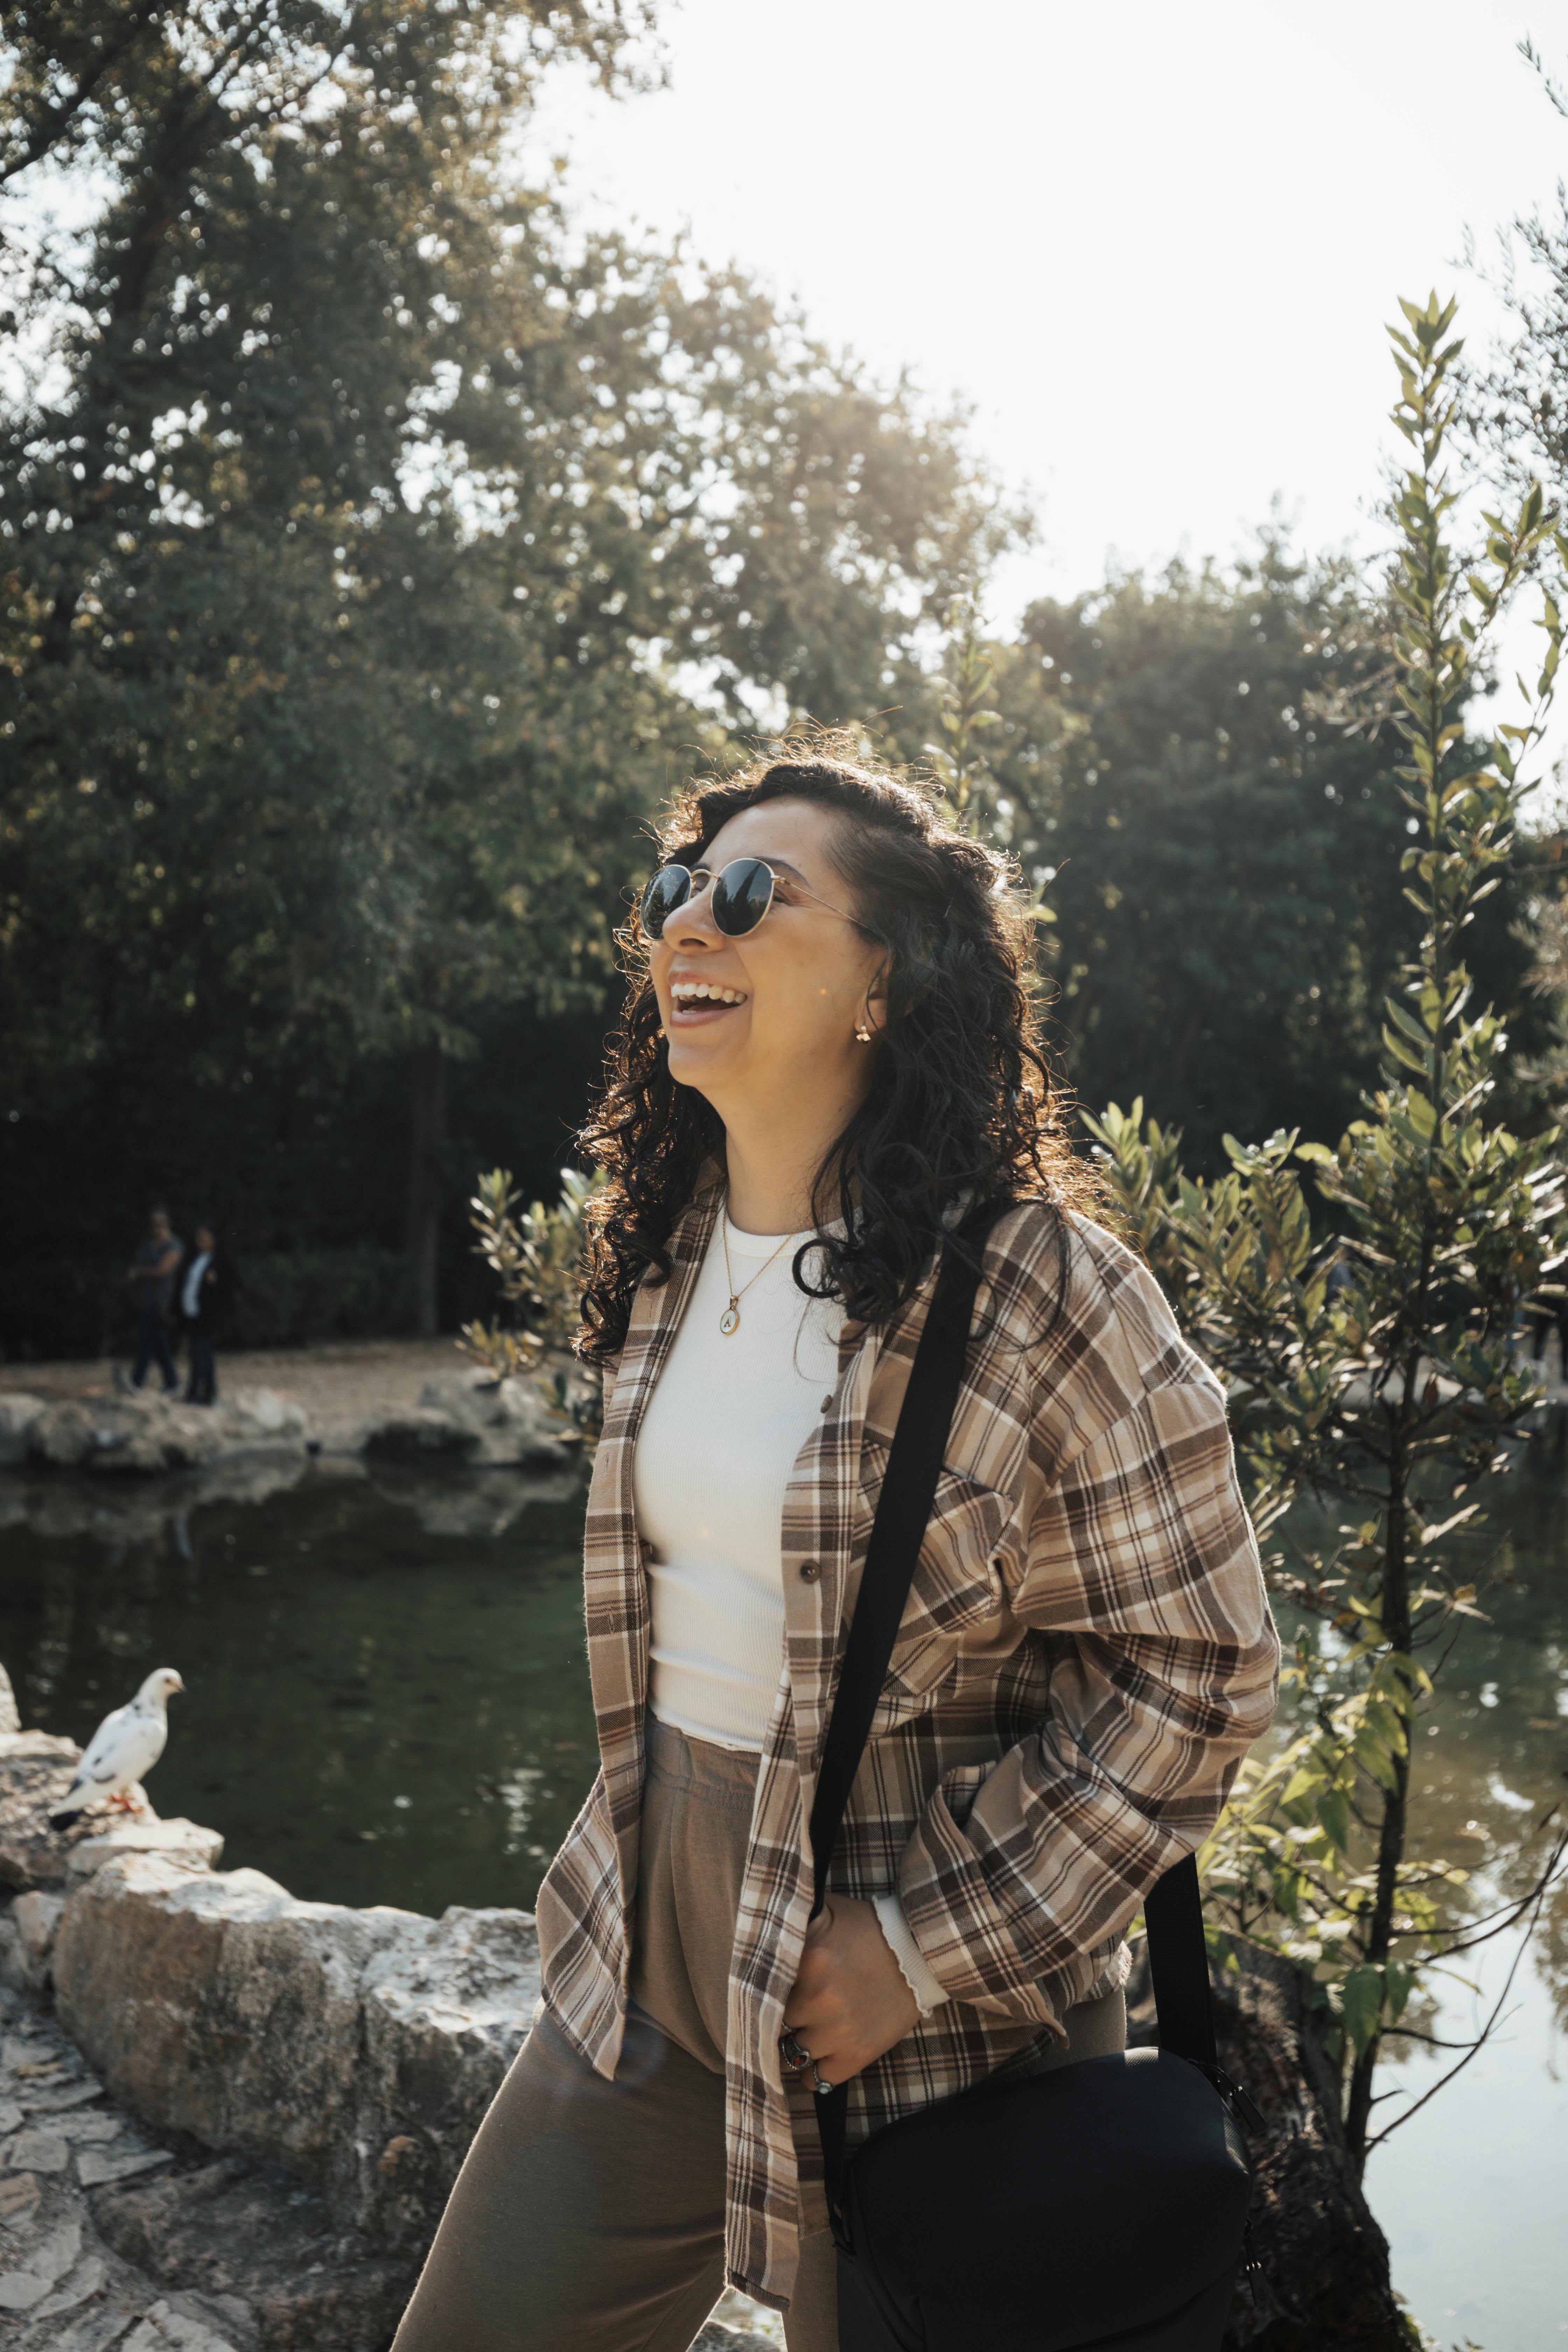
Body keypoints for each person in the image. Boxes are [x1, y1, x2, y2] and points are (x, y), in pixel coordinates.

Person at [391, 748, 1281, 2352]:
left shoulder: (1045, 1291)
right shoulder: (663, 1255)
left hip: (928, 2034)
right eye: (676, 893)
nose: (691, 928)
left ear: (884, 980)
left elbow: (1201, 1676)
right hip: (644, 1974)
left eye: (752, 898)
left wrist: (920, 1947)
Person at [117, 1205, 183, 1396]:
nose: (157, 1227)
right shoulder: (147, 1245)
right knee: (158, 1344)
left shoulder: (174, 1246)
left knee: (147, 1342)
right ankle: (173, 1382)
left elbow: (164, 1270)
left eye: (161, 1223)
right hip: (143, 1300)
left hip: (160, 1302)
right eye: (154, 1224)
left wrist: (140, 1271)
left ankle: (137, 1381)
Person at [175, 1224, 238, 1405]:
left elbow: (234, 1287)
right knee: (197, 1354)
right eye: (199, 1238)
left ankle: (203, 1393)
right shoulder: (194, 1258)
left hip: (210, 1315)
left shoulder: (222, 1260)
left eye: (205, 1238)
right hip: (193, 1313)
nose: (201, 1242)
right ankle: (200, 1391)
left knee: (203, 1354)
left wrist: (217, 1282)